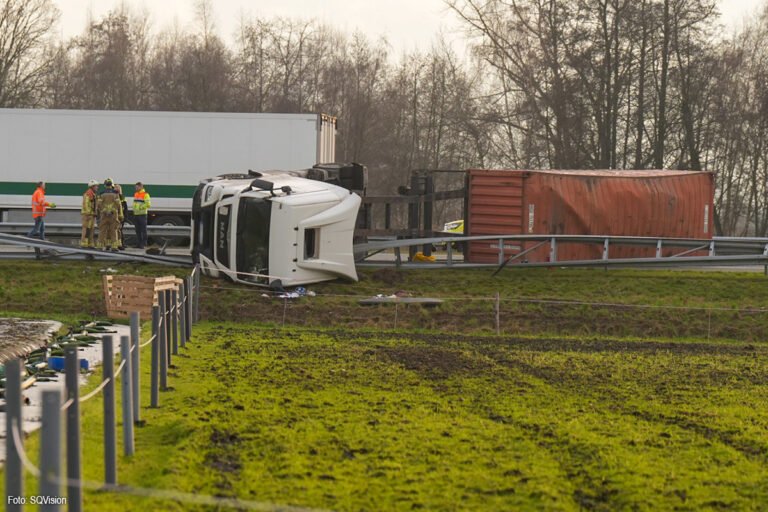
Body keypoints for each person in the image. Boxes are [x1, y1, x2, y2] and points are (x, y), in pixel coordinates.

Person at [96, 178, 123, 251]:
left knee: (102, 231)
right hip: (113, 215)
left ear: (105, 185)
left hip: (104, 215)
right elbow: (118, 204)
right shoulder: (116, 193)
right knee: (113, 231)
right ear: (112, 185)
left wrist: (104, 210)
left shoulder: (101, 193)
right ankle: (114, 247)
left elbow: (99, 205)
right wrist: (120, 215)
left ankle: (100, 247)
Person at [80, 179, 99, 248]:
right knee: (86, 229)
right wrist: (89, 214)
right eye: (96, 186)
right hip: (87, 215)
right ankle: (84, 243)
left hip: (92, 215)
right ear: (92, 186)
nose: (97, 187)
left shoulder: (93, 195)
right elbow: (86, 204)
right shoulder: (88, 194)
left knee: (91, 229)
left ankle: (90, 243)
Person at [133, 181, 150, 249]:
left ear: (141, 187)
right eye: (135, 187)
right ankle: (138, 244)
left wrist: (140, 208)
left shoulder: (145, 194)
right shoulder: (136, 194)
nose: (136, 188)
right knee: (137, 230)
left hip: (142, 214)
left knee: (143, 230)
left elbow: (148, 204)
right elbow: (135, 203)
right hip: (136, 214)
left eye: (137, 187)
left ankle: (143, 244)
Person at [114, 183, 129, 250]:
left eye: (118, 188)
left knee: (119, 231)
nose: (117, 190)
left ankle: (121, 244)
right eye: (116, 188)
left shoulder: (122, 197)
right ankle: (119, 244)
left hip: (120, 216)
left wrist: (125, 217)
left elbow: (125, 208)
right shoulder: (114, 196)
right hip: (117, 216)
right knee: (118, 231)